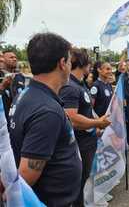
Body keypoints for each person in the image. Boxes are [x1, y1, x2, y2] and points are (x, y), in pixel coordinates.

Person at [8, 33, 82, 206]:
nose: (71, 66)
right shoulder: (47, 111)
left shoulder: (27, 94)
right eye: (70, 61)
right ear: (62, 63)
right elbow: (25, 177)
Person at [59, 48, 111, 207]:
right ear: (83, 64)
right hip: (80, 144)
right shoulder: (70, 87)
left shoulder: (80, 85)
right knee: (78, 184)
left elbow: (87, 110)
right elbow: (71, 119)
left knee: (84, 180)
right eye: (88, 62)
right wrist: (97, 123)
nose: (91, 65)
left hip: (88, 140)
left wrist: (94, 123)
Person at [0, 50, 25, 120]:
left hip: (18, 118)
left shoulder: (20, 76)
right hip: (3, 119)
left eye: (15, 57)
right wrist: (2, 86)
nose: (14, 59)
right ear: (3, 60)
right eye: (11, 57)